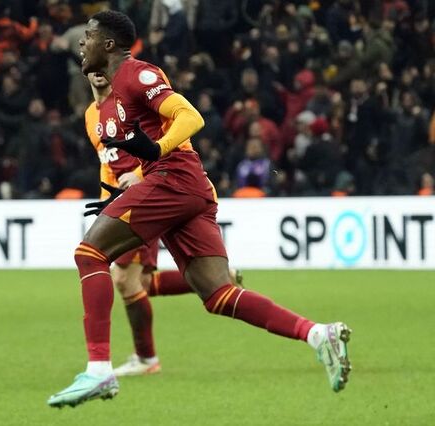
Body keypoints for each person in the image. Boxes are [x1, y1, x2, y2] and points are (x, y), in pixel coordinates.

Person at [47, 10, 352, 408]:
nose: (80, 43)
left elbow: (190, 116)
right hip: (182, 187)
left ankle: (99, 369)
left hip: (172, 178)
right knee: (218, 295)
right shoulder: (108, 101)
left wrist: (156, 151)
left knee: (90, 254)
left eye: (87, 36)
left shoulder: (137, 74)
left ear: (108, 44)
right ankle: (317, 334)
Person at [84, 71, 244, 376]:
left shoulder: (130, 101)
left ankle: (146, 358)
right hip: (126, 200)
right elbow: (107, 162)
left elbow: (163, 143)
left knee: (124, 279)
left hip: (151, 194)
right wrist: (107, 196)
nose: (98, 73)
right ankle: (223, 279)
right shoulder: (91, 115)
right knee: (140, 283)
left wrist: (139, 177)